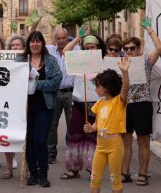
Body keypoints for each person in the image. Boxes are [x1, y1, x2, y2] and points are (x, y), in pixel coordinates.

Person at [16, 31, 62, 187]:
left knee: (40, 140)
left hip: (44, 106)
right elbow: (12, 80)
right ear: (28, 44)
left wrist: (37, 84)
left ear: (42, 43)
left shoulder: (51, 61)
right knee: (29, 141)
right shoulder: (21, 60)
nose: (35, 44)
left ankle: (43, 173)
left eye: (38, 41)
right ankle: (33, 173)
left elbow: (57, 81)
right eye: (32, 41)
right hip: (25, 107)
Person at [61, 30, 107, 180]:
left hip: (98, 103)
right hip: (79, 102)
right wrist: (77, 38)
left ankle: (93, 167)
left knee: (94, 137)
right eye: (86, 47)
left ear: (98, 47)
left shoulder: (104, 60)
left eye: (92, 47)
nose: (89, 50)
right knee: (75, 136)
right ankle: (73, 168)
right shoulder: (77, 60)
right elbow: (65, 52)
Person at [121, 18, 161, 186]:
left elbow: (159, 48)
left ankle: (143, 174)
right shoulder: (120, 62)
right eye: (126, 48)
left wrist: (150, 29)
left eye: (132, 48)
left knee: (144, 141)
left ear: (138, 49)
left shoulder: (146, 61)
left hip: (142, 104)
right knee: (126, 141)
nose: (129, 51)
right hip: (125, 105)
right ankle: (125, 173)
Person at [84, 57, 131, 193]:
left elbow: (126, 88)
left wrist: (125, 72)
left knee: (115, 178)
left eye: (98, 86)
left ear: (108, 88)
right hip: (100, 146)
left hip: (115, 145)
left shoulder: (118, 101)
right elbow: (97, 123)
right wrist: (90, 128)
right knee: (94, 178)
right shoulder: (99, 103)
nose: (96, 88)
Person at [0, 34, 25, 178]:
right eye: (13, 46)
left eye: (18, 45)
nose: (15, 48)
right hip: (2, 99)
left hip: (19, 100)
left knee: (20, 132)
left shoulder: (25, 60)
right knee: (5, 131)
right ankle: (8, 166)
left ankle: (23, 164)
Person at [46, 28, 79, 165]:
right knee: (52, 124)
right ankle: (51, 153)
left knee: (72, 124)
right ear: (54, 39)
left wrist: (78, 38)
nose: (60, 41)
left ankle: (71, 152)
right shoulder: (49, 50)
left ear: (68, 38)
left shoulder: (76, 49)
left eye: (63, 38)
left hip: (71, 92)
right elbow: (32, 41)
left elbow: (68, 51)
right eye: (58, 38)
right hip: (54, 92)